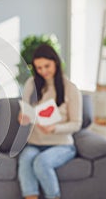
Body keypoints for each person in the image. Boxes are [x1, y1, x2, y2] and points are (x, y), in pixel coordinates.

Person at [17, 44, 82, 199]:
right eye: (39, 68)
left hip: (62, 145)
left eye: (47, 66)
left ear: (56, 63)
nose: (43, 71)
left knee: (42, 162)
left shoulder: (71, 88)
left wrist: (54, 128)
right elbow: (24, 111)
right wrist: (23, 118)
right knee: (26, 160)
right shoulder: (31, 84)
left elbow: (76, 123)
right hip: (35, 143)